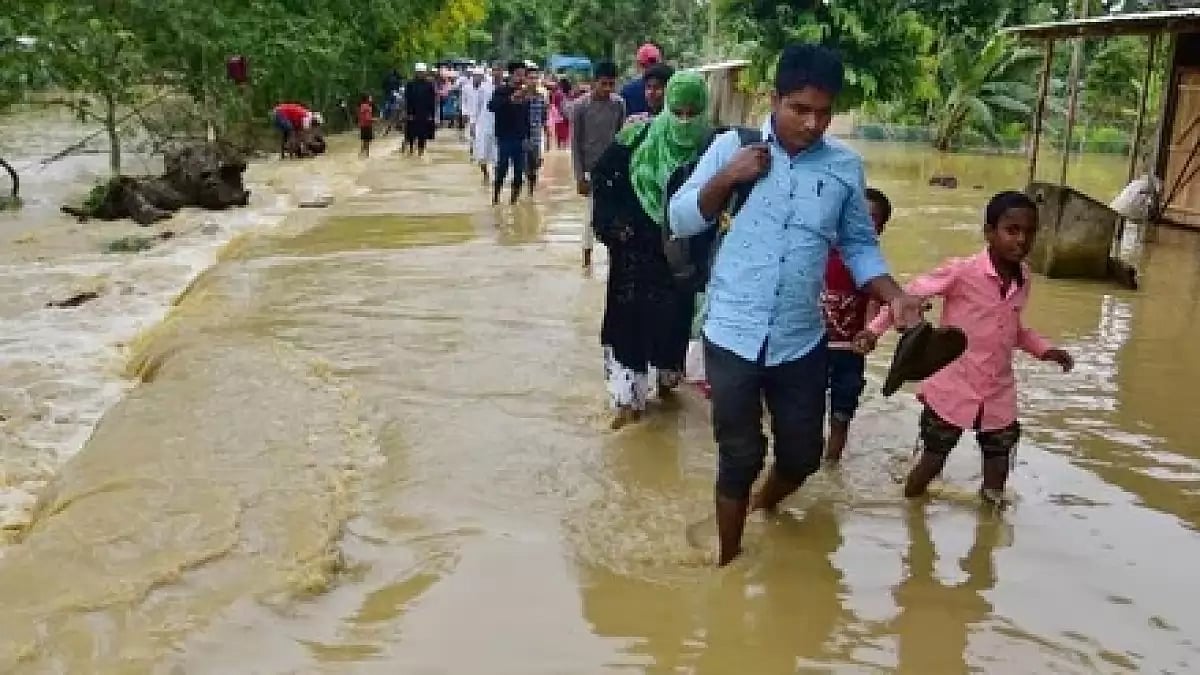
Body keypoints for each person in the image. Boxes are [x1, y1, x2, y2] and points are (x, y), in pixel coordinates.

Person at [667, 43, 924, 567]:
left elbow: (857, 245)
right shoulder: (730, 148)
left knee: (803, 456)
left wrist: (895, 296)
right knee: (739, 454)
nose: (813, 123)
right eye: (800, 109)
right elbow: (681, 219)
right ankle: (728, 565)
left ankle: (762, 507)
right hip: (732, 332)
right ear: (774, 98)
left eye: (824, 112)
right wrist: (728, 177)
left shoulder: (844, 169)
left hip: (800, 337)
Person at [857, 191, 1075, 505]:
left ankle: (987, 540)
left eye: (1029, 232)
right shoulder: (962, 272)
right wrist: (873, 331)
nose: (1022, 240)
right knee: (932, 463)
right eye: (1011, 230)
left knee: (998, 472)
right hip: (953, 389)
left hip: (998, 393)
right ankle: (909, 515)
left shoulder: (1024, 278)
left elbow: (1012, 329)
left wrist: (1045, 350)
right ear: (989, 232)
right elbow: (906, 298)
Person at [592, 72, 711, 428]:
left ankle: (666, 383)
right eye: (678, 112)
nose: (685, 122)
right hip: (634, 253)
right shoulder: (636, 136)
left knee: (671, 331)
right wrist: (616, 228)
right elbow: (603, 178)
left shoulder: (713, 147)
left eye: (693, 113)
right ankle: (627, 403)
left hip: (679, 261)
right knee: (629, 329)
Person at [821, 187, 892, 464]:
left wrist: (871, 333)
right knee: (805, 410)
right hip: (811, 348)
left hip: (849, 353)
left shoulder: (871, 266)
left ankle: (830, 465)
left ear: (880, 228)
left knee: (841, 415)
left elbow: (878, 305)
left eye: (872, 218)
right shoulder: (819, 254)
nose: (863, 221)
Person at [571, 60, 626, 269]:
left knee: (617, 215)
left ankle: (616, 258)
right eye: (604, 84)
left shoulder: (619, 104)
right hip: (591, 170)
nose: (607, 89)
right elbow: (575, 144)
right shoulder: (580, 107)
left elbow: (622, 137)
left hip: (614, 169)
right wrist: (579, 177)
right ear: (594, 82)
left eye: (612, 84)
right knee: (590, 216)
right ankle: (586, 259)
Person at [488, 75, 531, 205]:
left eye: (520, 82)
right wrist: (510, 99)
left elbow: (526, 119)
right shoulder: (500, 92)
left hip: (520, 138)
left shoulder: (525, 98)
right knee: (502, 167)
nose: (519, 85)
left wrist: (527, 137)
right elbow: (491, 107)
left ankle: (513, 201)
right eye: (516, 81)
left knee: (519, 172)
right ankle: (495, 197)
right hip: (504, 137)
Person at [471, 64, 503, 181]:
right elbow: (477, 106)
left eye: (499, 70)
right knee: (482, 154)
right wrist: (473, 123)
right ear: (491, 72)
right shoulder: (484, 88)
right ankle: (485, 175)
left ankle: (497, 178)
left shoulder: (505, 88)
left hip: (500, 125)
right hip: (483, 124)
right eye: (495, 70)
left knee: (497, 155)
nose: (497, 73)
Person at [620, 43, 663, 117]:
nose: (650, 68)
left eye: (652, 63)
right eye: (645, 65)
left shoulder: (628, 90)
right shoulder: (628, 91)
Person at [404, 63, 438, 156]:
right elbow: (407, 99)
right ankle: (411, 150)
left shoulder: (429, 85)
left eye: (422, 72)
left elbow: (432, 100)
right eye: (419, 72)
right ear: (416, 72)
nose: (420, 74)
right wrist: (408, 113)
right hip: (412, 112)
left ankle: (421, 152)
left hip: (424, 113)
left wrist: (431, 115)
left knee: (423, 134)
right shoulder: (410, 84)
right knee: (411, 134)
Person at [524, 79, 549, 195]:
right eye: (530, 79)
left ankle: (531, 192)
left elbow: (544, 118)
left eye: (535, 79)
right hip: (523, 136)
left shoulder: (541, 98)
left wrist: (547, 134)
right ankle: (527, 190)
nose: (533, 82)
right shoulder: (521, 97)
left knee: (535, 166)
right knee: (524, 166)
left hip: (537, 137)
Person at [550, 78, 572, 150]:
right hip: (563, 117)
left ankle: (560, 151)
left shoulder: (557, 94)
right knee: (564, 138)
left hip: (558, 117)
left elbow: (554, 105)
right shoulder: (564, 95)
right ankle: (563, 152)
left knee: (559, 137)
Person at [358, 94, 375, 158]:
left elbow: (361, 117)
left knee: (364, 140)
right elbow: (368, 118)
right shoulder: (368, 107)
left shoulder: (361, 106)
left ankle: (361, 153)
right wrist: (375, 120)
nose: (371, 99)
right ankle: (367, 155)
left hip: (362, 125)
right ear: (367, 99)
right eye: (370, 98)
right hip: (367, 125)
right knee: (367, 141)